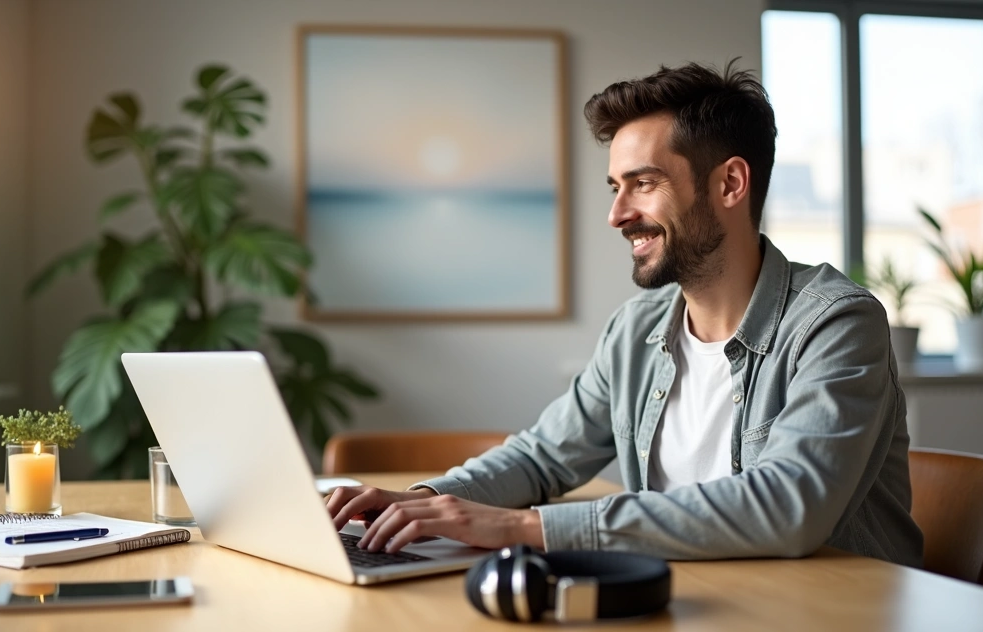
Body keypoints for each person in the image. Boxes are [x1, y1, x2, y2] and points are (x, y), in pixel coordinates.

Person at [325, 61, 924, 566]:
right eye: (615, 185)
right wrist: (425, 498)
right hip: (694, 602)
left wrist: (525, 529)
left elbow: (789, 507)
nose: (616, 214)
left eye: (643, 182)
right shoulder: (636, 329)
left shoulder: (836, 324)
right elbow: (543, 455)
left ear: (731, 183)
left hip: (824, 615)